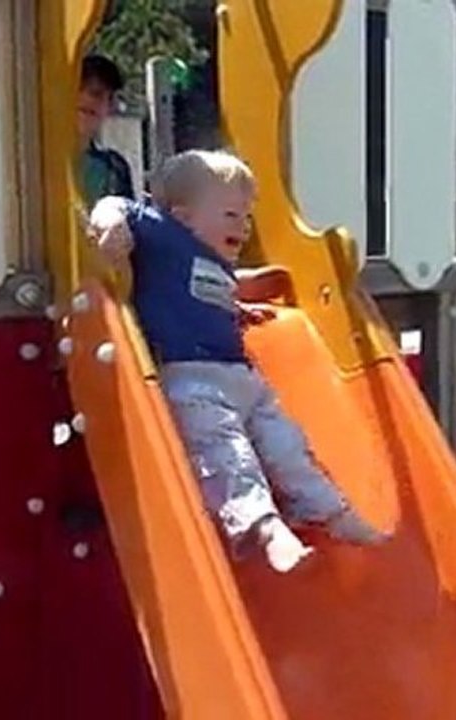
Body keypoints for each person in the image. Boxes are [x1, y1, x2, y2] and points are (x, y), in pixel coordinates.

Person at [88, 150, 385, 573]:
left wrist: (238, 304)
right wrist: (111, 224)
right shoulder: (167, 237)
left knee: (289, 444)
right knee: (226, 451)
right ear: (184, 215)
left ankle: (328, 511)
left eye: (246, 217)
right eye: (231, 214)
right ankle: (265, 529)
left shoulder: (217, 265)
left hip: (244, 380)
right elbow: (115, 204)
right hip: (191, 379)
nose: (243, 226)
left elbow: (212, 292)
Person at [78, 54, 135, 206]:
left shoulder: (114, 169)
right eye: (79, 88)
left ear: (109, 106)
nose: (88, 98)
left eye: (98, 94)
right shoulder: (36, 159)